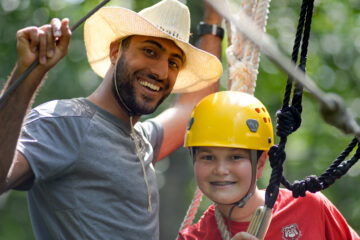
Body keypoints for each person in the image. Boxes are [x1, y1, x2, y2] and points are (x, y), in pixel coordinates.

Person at [0, 0, 224, 239]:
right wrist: (30, 72)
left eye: (173, 63)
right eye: (150, 51)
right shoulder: (64, 122)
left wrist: (214, 19)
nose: (161, 71)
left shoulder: (143, 142)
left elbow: (193, 106)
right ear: (115, 51)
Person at [178, 91, 359, 240]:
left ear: (260, 164)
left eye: (235, 157)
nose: (220, 169)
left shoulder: (309, 208)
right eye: (208, 157)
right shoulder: (193, 238)